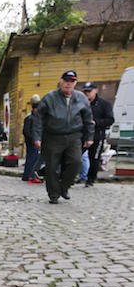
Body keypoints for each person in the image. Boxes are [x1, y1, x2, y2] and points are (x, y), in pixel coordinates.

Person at [32, 70, 94, 204]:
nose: (68, 84)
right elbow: (38, 119)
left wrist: (89, 136)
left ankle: (64, 187)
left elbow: (88, 119)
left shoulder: (81, 98)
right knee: (51, 167)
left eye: (72, 81)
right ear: (61, 81)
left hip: (74, 136)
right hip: (53, 136)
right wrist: (37, 137)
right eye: (66, 81)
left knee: (76, 162)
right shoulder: (49, 98)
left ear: (75, 83)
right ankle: (53, 194)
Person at [82, 82, 114, 187]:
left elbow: (110, 120)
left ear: (95, 90)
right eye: (85, 91)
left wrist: (96, 122)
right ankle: (71, 177)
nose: (87, 93)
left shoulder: (104, 104)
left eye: (89, 91)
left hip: (97, 136)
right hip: (82, 135)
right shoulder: (81, 103)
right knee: (74, 156)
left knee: (94, 159)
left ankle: (90, 180)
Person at [22, 95, 41, 181]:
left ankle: (31, 174)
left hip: (35, 141)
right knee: (31, 158)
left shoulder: (36, 118)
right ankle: (27, 175)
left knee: (33, 158)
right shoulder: (29, 118)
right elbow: (26, 131)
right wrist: (33, 140)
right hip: (31, 142)